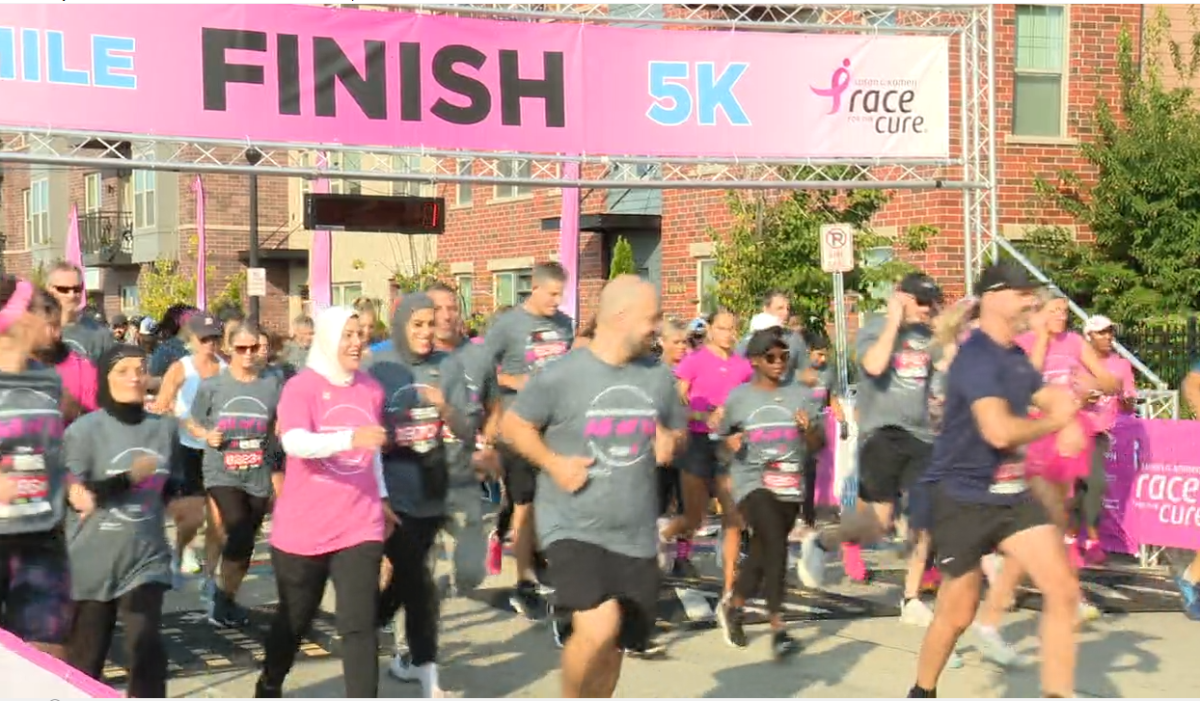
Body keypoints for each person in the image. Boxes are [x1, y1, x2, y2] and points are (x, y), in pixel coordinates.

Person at [501, 275, 685, 698]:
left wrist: (668, 439)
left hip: (635, 531)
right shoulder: (563, 374)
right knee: (598, 626)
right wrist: (553, 462)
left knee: (616, 642)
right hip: (573, 523)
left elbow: (677, 432)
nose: (657, 326)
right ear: (621, 317)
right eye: (652, 317)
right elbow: (514, 424)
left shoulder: (657, 377)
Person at [907, 263, 1082, 699]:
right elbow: (999, 431)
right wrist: (1054, 424)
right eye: (1023, 294)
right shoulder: (976, 358)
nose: (1032, 301)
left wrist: (1067, 411)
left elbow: (1043, 393)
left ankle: (1057, 694)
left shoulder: (1013, 355)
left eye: (1033, 293)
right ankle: (921, 692)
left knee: (1062, 591)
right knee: (957, 612)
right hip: (962, 498)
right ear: (993, 298)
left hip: (1012, 496)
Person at [255, 306, 392, 699]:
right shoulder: (301, 387)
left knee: (359, 623)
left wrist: (381, 497)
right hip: (304, 527)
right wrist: (350, 438)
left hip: (359, 521)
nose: (356, 342)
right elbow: (293, 441)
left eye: (360, 334)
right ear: (329, 339)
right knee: (295, 619)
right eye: (347, 335)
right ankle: (269, 683)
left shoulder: (370, 387)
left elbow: (375, 449)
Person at [368, 294, 472, 696]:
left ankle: (375, 626)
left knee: (411, 580)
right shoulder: (379, 367)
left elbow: (465, 430)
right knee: (421, 584)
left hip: (432, 490)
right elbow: (359, 429)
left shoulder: (448, 367)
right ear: (400, 325)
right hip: (390, 495)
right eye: (418, 324)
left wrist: (444, 406)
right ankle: (427, 671)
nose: (428, 332)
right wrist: (385, 440)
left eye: (431, 323)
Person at [63, 345, 180, 698]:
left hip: (145, 560)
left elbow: (173, 483)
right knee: (85, 663)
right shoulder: (84, 431)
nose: (134, 377)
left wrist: (185, 501)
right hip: (91, 563)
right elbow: (76, 495)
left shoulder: (164, 430)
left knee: (147, 650)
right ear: (104, 379)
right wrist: (128, 478)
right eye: (123, 370)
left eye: (140, 369)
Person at [840, 273, 943, 628]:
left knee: (924, 517)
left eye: (932, 302)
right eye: (921, 302)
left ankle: (911, 597)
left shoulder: (931, 337)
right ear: (900, 298)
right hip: (881, 433)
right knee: (880, 523)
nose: (927, 309)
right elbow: (873, 365)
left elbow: (946, 375)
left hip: (921, 436)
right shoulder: (875, 328)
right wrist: (895, 322)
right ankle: (836, 541)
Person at [715, 326, 821, 658]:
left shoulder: (799, 396)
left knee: (762, 553)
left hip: (790, 484)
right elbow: (719, 440)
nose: (779, 363)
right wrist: (728, 443)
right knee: (775, 542)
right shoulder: (739, 398)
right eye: (771, 357)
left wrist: (808, 432)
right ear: (755, 361)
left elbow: (818, 445)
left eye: (784, 356)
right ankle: (779, 627)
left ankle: (734, 605)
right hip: (752, 480)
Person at [482, 262, 574, 617]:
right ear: (533, 288)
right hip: (517, 426)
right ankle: (524, 582)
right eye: (551, 293)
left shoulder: (564, 324)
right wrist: (510, 382)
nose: (556, 301)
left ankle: (540, 559)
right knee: (526, 505)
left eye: (560, 294)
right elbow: (482, 369)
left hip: (556, 428)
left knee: (556, 500)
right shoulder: (508, 325)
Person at [184, 323, 283, 627]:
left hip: (257, 470)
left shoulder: (272, 382)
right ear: (229, 350)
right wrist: (207, 435)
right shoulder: (214, 385)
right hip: (221, 471)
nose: (249, 354)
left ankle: (226, 598)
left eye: (254, 348)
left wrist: (278, 450)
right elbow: (192, 422)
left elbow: (277, 422)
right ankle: (219, 595)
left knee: (246, 540)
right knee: (237, 526)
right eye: (242, 349)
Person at [0, 276, 72, 660]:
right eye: (47, 318)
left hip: (42, 534)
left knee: (49, 655)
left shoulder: (46, 380)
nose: (55, 331)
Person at [660, 308, 750, 583]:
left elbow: (750, 400)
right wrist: (703, 415)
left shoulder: (742, 365)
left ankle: (730, 582)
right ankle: (660, 539)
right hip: (697, 441)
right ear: (710, 329)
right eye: (722, 328)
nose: (728, 334)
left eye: (732, 329)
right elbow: (674, 405)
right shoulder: (694, 361)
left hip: (729, 442)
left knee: (733, 512)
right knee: (694, 516)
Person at [153, 313, 226, 581]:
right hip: (188, 447)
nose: (210, 344)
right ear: (193, 339)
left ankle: (212, 566)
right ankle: (183, 549)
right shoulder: (181, 368)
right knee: (193, 515)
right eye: (205, 338)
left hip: (216, 446)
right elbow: (163, 403)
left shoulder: (225, 368)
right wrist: (179, 417)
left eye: (215, 338)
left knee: (218, 512)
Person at [1075, 315, 1135, 565]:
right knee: (1074, 491)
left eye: (1110, 332)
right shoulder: (1076, 363)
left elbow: (1129, 404)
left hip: (1100, 434)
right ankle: (1071, 538)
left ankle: (1091, 539)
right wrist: (1081, 401)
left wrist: (1123, 396)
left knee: (1095, 483)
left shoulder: (1121, 365)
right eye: (1101, 333)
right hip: (1073, 429)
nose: (1108, 337)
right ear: (1088, 336)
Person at [33, 293, 97, 424]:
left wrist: (75, 411)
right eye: (45, 326)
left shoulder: (83, 370)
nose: (55, 334)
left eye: (57, 326)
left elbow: (99, 424)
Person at [45, 262, 115, 363]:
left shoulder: (100, 334)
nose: (72, 295)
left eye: (77, 289)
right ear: (49, 290)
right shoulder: (35, 330)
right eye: (64, 289)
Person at [735, 290, 807, 383]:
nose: (786, 313)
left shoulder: (794, 338)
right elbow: (737, 369)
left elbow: (804, 370)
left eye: (788, 309)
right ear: (765, 309)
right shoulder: (750, 338)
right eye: (780, 308)